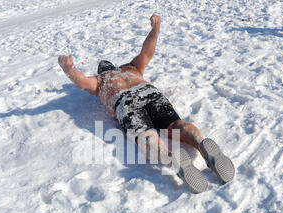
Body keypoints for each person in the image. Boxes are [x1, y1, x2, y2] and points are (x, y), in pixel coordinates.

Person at [58, 14, 234, 193]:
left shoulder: (100, 81)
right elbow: (146, 52)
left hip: (125, 103)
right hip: (148, 93)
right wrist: (155, 30)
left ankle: (173, 159)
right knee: (175, 125)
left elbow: (80, 81)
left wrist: (68, 69)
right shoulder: (130, 68)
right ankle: (199, 142)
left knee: (147, 137)